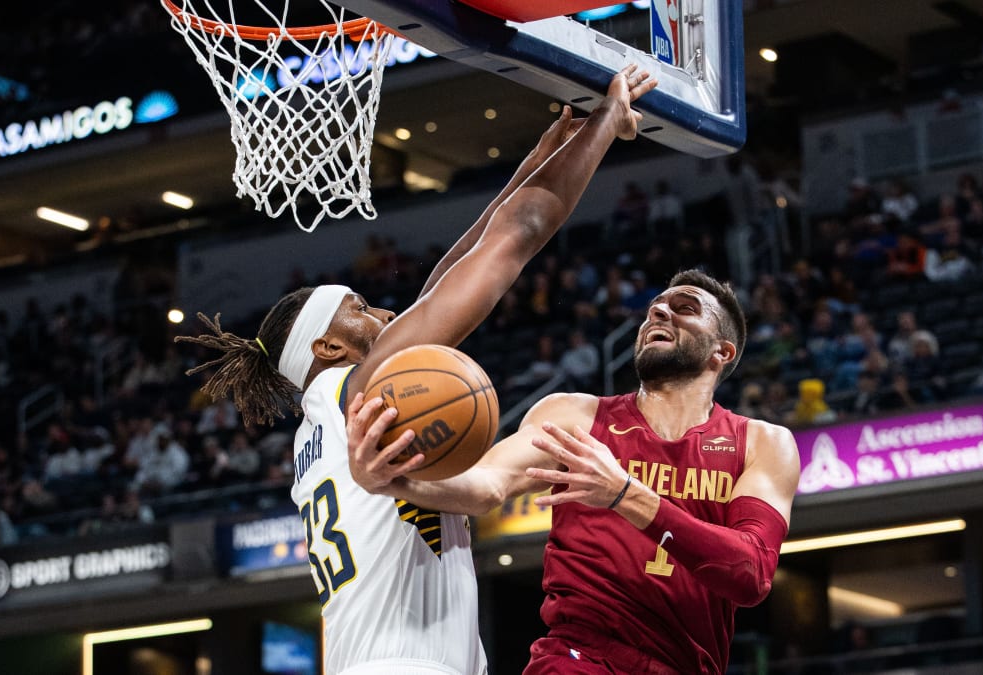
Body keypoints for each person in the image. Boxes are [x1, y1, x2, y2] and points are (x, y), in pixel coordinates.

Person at [176, 66, 657, 675]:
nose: (380, 309)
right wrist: (608, 123)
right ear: (327, 347)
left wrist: (539, 159)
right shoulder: (359, 390)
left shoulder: (330, 416)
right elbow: (516, 239)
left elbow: (451, 272)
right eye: (357, 306)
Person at [349, 269, 801, 674]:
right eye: (655, 308)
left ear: (721, 352)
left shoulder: (762, 443)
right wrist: (395, 481)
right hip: (577, 658)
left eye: (685, 309)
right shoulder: (576, 416)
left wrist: (626, 494)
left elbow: (749, 573)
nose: (660, 311)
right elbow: (487, 484)